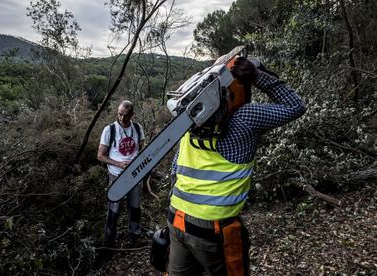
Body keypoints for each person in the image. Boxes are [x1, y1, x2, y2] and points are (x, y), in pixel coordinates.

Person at [167, 57, 306, 275]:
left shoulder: (188, 125)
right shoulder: (245, 118)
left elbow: (175, 169)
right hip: (213, 228)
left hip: (177, 218)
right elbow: (296, 106)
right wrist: (258, 76)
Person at [97, 100, 145, 246]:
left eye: (125, 115)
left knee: (135, 207)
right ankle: (109, 240)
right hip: (116, 175)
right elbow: (100, 155)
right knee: (114, 209)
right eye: (119, 114)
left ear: (132, 114)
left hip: (135, 174)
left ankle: (134, 235)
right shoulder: (109, 130)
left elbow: (141, 147)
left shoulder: (137, 128)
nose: (122, 118)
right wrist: (119, 163)